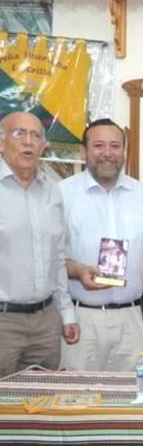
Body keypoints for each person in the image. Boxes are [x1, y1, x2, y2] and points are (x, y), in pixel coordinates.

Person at [59, 118, 143, 372]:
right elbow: (47, 259)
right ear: (84, 151)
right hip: (81, 318)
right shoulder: (61, 194)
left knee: (132, 402)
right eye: (99, 146)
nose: (107, 153)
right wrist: (78, 271)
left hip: (135, 318)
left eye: (115, 146)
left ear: (124, 151)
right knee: (76, 401)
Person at [0, 111, 78, 376]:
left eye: (36, 135)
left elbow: (57, 258)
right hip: (3, 322)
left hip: (46, 321)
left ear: (43, 147)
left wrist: (67, 313)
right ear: (1, 142)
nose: (28, 142)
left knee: (42, 404)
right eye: (18, 133)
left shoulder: (53, 191)